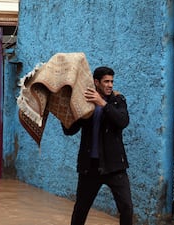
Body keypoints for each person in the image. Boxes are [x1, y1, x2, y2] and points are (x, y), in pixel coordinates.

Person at [62, 66, 133, 225]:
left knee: (127, 207)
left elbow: (122, 121)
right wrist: (63, 112)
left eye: (112, 82)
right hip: (90, 167)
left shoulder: (117, 100)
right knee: (81, 209)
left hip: (115, 166)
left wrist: (102, 103)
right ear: (96, 82)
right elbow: (70, 130)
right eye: (106, 81)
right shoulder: (85, 102)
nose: (110, 85)